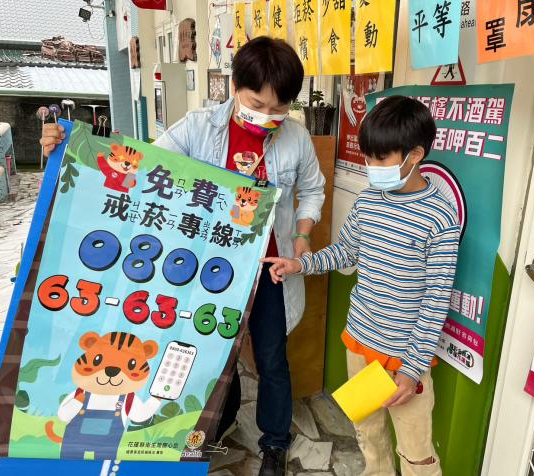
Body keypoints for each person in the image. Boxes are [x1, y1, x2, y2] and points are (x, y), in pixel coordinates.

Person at [39, 36, 325, 476]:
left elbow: (313, 189)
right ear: (235, 87)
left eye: (279, 108)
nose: (268, 117)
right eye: (257, 104)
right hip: (208, 273)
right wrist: (68, 148)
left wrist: (303, 234)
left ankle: (274, 444)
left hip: (270, 269)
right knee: (214, 354)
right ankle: (214, 428)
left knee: (272, 360)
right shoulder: (197, 128)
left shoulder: (297, 138)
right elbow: (145, 166)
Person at [262, 95, 459, 476]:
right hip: (360, 342)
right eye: (368, 158)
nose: (372, 169)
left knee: (415, 452)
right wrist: (300, 264)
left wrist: (412, 369)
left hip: (405, 358)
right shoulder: (368, 201)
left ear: (415, 155)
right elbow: (345, 252)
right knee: (368, 434)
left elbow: (436, 300)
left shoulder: (440, 217)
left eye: (381, 159)